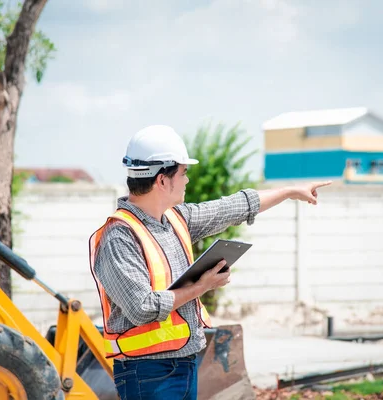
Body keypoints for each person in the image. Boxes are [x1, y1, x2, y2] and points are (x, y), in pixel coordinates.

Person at [89, 125, 331, 400]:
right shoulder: (118, 237)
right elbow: (141, 307)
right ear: (162, 180)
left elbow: (235, 207)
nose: (187, 181)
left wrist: (289, 191)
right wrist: (201, 286)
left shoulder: (176, 220)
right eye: (183, 173)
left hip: (185, 363)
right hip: (147, 373)